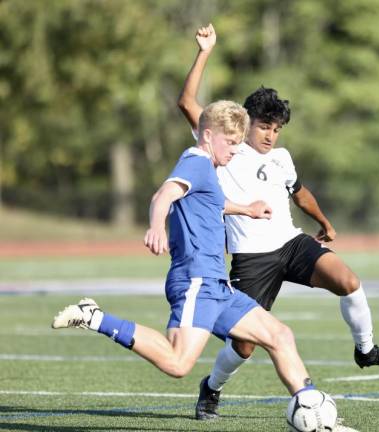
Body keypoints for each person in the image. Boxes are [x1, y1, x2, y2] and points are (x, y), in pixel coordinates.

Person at [177, 24, 379, 421]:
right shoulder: (223, 147)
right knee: (245, 346)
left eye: (276, 129)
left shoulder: (282, 157)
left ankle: (366, 349)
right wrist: (204, 52)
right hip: (252, 259)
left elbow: (299, 193)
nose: (270, 135)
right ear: (246, 121)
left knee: (348, 281)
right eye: (265, 126)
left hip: (291, 244)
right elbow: (185, 101)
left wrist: (324, 221)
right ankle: (211, 388)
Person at [51, 100, 321, 402]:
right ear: (207, 136)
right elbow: (164, 194)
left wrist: (246, 209)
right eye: (230, 142)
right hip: (196, 280)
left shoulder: (208, 169)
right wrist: (156, 226)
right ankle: (95, 317)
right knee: (178, 363)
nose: (235, 149)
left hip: (217, 285)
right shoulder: (196, 161)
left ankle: (312, 407)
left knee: (279, 336)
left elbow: (210, 202)